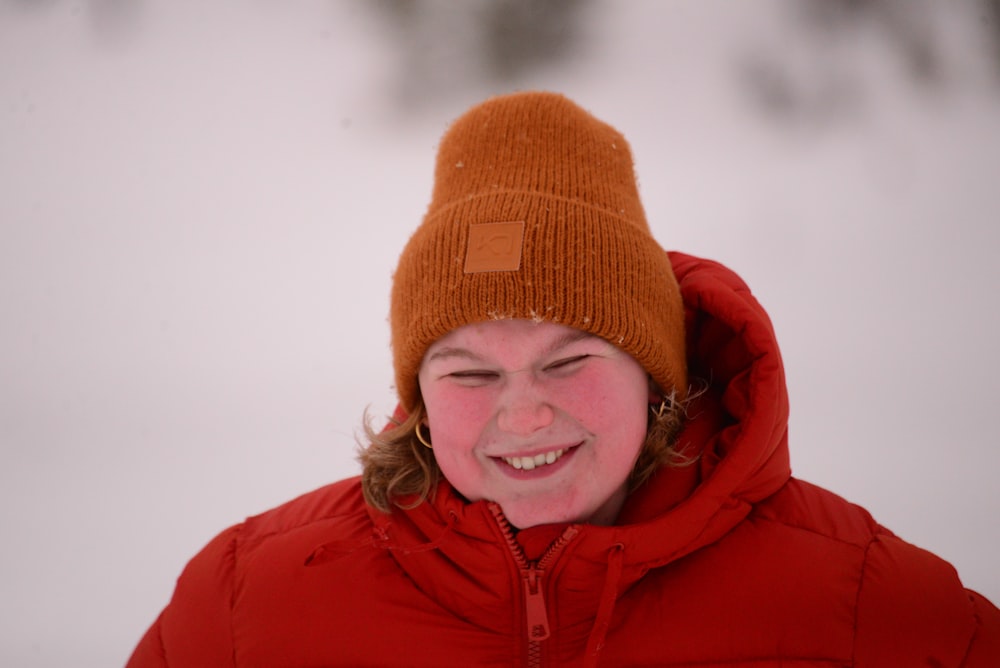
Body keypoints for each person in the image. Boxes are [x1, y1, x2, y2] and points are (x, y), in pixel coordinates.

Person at [127, 91, 1000, 667]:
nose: (525, 409)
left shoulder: (858, 604)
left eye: (571, 359)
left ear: (658, 374)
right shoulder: (246, 605)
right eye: (470, 370)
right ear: (418, 396)